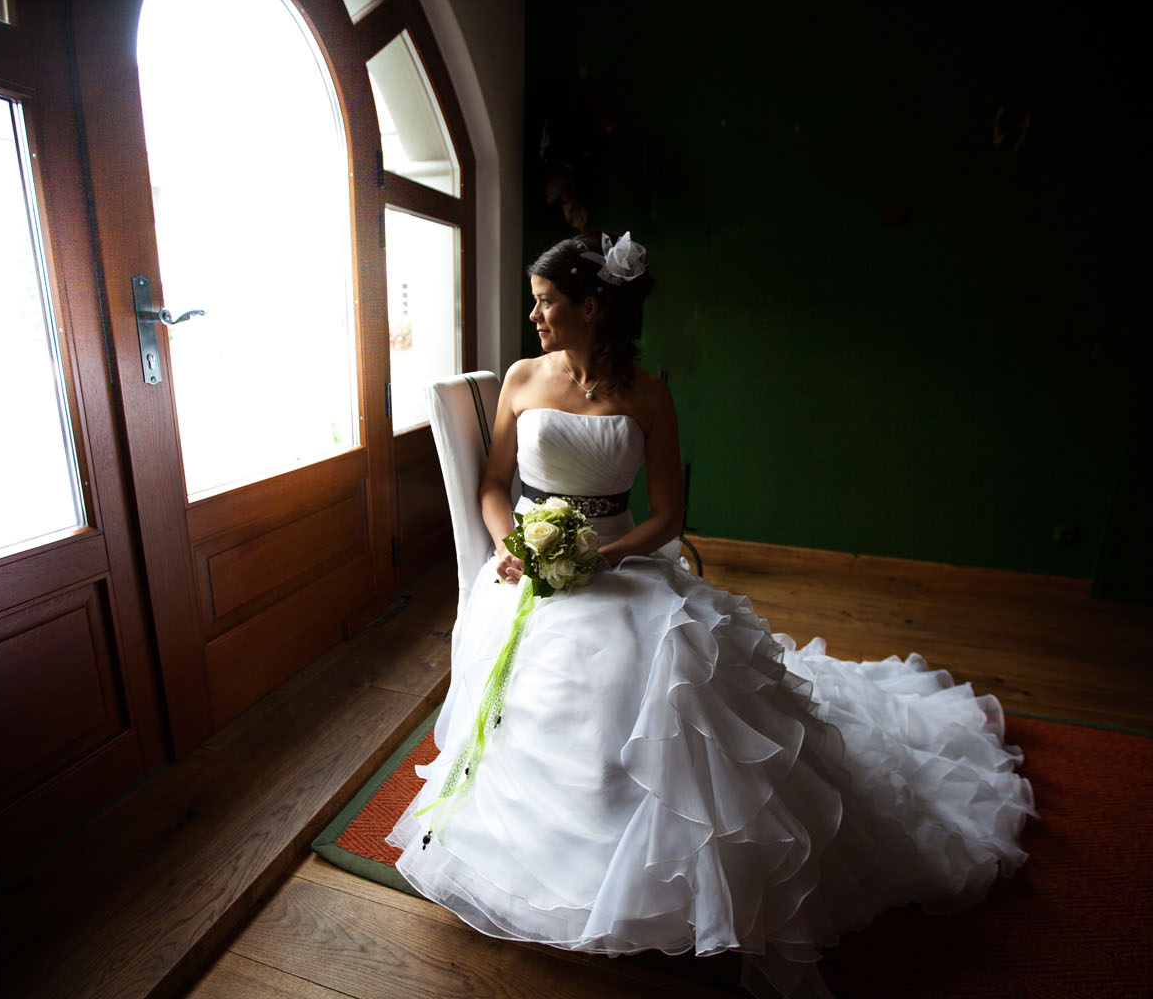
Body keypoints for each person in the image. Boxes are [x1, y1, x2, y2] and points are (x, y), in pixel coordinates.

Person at [388, 232, 1034, 998]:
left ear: (592, 307)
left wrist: (611, 556)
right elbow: (494, 485)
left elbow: (668, 516)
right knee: (568, 664)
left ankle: (662, 860)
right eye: (535, 301)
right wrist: (516, 550)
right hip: (527, 570)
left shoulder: (649, 394)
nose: (534, 315)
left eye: (547, 301)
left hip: (617, 561)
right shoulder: (525, 378)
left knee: (665, 665)